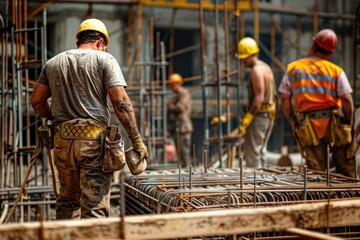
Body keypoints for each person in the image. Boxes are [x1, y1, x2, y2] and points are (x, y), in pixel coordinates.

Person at [30, 18, 148, 219]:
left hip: (63, 142)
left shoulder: (53, 63)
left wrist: (56, 118)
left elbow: (37, 101)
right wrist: (136, 141)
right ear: (101, 42)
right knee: (93, 206)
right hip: (92, 144)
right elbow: (120, 103)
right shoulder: (105, 60)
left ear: (79, 41)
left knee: (67, 202)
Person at [278, 29, 358, 178]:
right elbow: (347, 100)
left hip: (307, 125)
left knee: (316, 172)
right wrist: (347, 123)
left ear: (313, 45)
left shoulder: (293, 69)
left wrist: (292, 120)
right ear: (330, 53)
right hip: (333, 124)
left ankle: (319, 198)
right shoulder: (336, 71)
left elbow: (284, 97)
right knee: (345, 168)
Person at [236, 37, 277, 168]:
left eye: (243, 58)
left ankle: (255, 186)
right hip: (268, 116)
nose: (242, 62)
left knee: (252, 156)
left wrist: (248, 118)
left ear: (249, 55)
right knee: (260, 152)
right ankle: (263, 182)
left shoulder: (256, 71)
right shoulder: (266, 67)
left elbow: (258, 98)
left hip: (259, 116)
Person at [166, 73, 193, 167]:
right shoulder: (176, 96)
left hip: (184, 128)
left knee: (184, 152)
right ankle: (184, 171)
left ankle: (187, 172)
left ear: (176, 84)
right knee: (180, 153)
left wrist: (170, 106)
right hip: (178, 128)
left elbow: (180, 107)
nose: (171, 88)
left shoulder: (184, 93)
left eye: (172, 86)